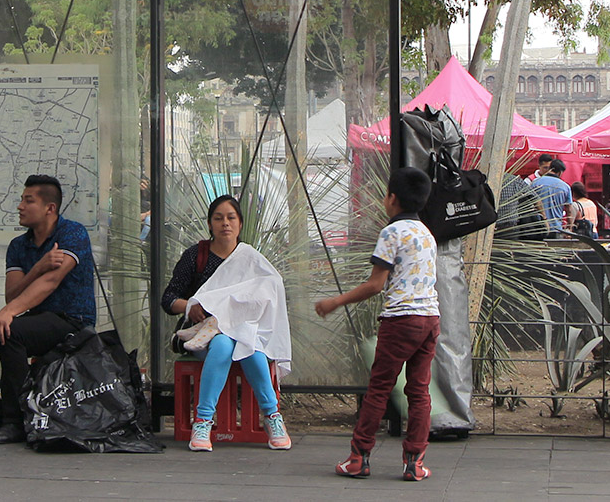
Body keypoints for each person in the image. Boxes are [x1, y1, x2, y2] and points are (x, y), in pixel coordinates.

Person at [0, 174, 96, 444]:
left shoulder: (72, 233)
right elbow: (13, 294)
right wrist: (38, 266)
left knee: (11, 331)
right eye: (21, 200)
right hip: (35, 320)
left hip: (72, 321)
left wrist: (9, 313)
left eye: (29, 201)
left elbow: (51, 283)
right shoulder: (19, 245)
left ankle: (16, 420)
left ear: (50, 208)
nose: (20, 206)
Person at [315, 167, 439, 482]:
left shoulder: (391, 233)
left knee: (379, 389)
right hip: (430, 319)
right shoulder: (426, 233)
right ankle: (415, 462)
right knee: (419, 390)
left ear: (391, 198)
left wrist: (335, 302)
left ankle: (359, 457)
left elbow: (375, 285)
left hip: (400, 321)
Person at [161, 194, 293, 452]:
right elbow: (168, 299)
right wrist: (191, 306)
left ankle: (273, 417)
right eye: (218, 218)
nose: (225, 224)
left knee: (248, 343)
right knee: (222, 344)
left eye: (231, 218)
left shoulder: (251, 260)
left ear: (240, 224)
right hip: (205, 334)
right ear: (210, 224)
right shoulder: (195, 256)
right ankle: (203, 422)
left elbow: (271, 292)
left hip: (245, 330)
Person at [531, 159, 572, 238]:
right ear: (560, 172)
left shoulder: (535, 183)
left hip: (537, 227)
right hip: (556, 229)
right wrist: (569, 228)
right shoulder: (565, 187)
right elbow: (569, 210)